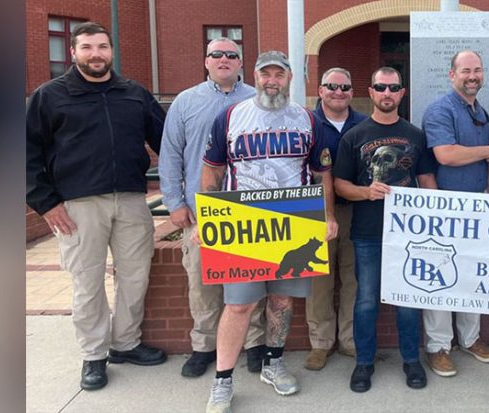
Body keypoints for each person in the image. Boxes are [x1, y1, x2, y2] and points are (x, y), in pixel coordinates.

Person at [25, 21, 167, 391]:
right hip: (77, 205)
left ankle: (126, 344)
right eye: (87, 48)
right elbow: (25, 154)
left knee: (135, 277)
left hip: (133, 200)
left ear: (111, 51)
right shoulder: (49, 96)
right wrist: (45, 203)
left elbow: (168, 139)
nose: (96, 55)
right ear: (73, 53)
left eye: (102, 47)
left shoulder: (133, 93)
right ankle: (93, 355)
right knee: (87, 283)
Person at [200, 51, 337, 413]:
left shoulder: (308, 119)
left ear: (290, 78)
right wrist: (205, 218)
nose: (271, 80)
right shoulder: (230, 116)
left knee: (281, 300)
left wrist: (328, 217)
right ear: (255, 76)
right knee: (239, 304)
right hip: (243, 222)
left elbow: (323, 175)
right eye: (265, 74)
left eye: (279, 74)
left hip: (293, 221)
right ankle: (222, 380)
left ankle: (274, 362)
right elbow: (212, 171)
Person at [158, 38, 268, 379]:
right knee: (202, 285)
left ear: (241, 63)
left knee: (252, 285)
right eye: (216, 54)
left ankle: (254, 344)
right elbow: (170, 154)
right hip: (200, 212)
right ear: (206, 61)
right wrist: (174, 203)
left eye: (231, 55)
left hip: (249, 210)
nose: (224, 59)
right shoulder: (186, 102)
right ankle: (204, 346)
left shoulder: (259, 99)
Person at [333, 67, 438, 393]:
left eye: (393, 88)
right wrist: (366, 192)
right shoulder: (355, 135)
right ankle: (364, 362)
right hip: (367, 231)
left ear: (402, 93)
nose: (387, 93)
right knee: (366, 300)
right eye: (381, 87)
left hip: (409, 234)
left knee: (407, 299)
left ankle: (411, 359)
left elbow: (427, 180)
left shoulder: (415, 135)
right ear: (372, 91)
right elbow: (339, 184)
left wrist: (438, 213)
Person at [420, 50, 489, 377]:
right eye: (466, 70)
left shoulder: (479, 110)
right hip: (445, 209)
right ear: (451, 74)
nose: (472, 76)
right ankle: (438, 346)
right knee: (439, 278)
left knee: (472, 276)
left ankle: (470, 338)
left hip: (478, 206)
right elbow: (447, 155)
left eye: (477, 70)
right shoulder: (440, 109)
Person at [304, 67, 368, 371]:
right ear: (320, 90)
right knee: (319, 281)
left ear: (351, 92)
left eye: (344, 87)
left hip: (355, 210)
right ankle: (320, 343)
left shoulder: (364, 124)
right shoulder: (306, 123)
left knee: (352, 277)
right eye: (331, 86)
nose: (338, 92)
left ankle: (350, 340)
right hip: (315, 212)